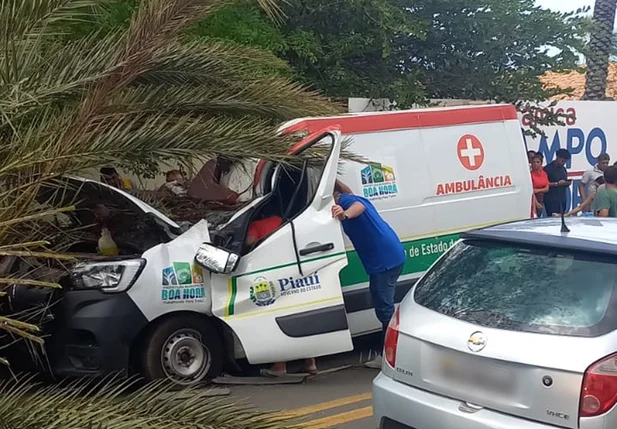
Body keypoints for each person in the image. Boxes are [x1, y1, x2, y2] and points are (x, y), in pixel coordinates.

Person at [331, 180, 405, 369]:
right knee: (382, 303)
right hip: (389, 256)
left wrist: (344, 215)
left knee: (384, 309)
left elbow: (359, 207)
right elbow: (348, 191)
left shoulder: (347, 201)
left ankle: (391, 356)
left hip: (384, 261)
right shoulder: (348, 195)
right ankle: (391, 353)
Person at [248, 215, 319, 377]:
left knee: (279, 316)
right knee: (301, 315)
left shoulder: (254, 223)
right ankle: (311, 363)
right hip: (294, 269)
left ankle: (280, 366)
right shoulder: (282, 219)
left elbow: (249, 242)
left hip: (274, 272)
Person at [543, 149, 572, 217]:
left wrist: (566, 183)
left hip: (562, 199)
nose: (563, 163)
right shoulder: (548, 169)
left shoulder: (563, 169)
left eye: (565, 161)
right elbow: (544, 183)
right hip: (551, 199)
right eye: (562, 160)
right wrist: (556, 184)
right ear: (558, 157)